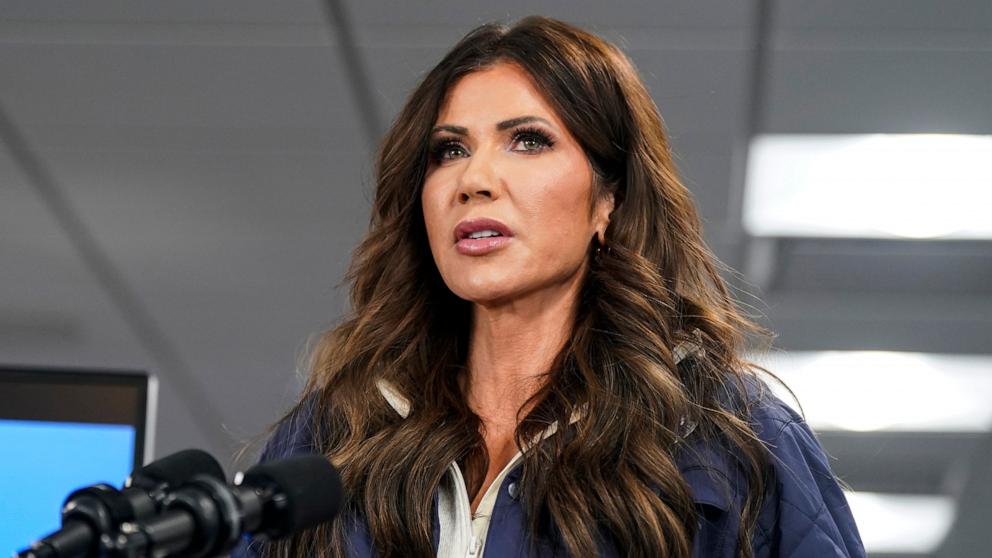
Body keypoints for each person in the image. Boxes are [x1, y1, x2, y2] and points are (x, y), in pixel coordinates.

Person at [235, 15, 864, 558]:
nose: (474, 179)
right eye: (448, 152)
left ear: (608, 202)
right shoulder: (337, 434)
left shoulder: (729, 436)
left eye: (528, 141)